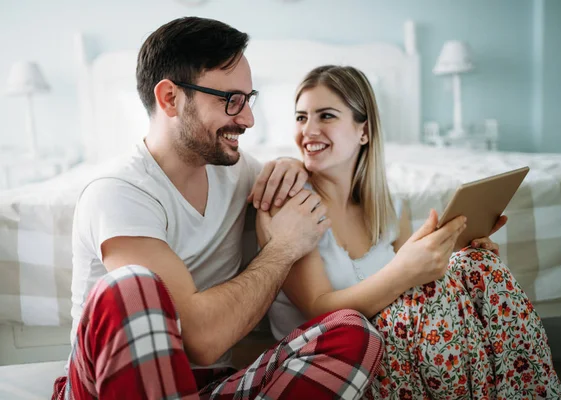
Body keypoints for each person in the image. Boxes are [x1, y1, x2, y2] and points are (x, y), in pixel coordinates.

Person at [52, 19, 384, 400]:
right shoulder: (119, 192)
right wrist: (283, 248)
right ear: (170, 99)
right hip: (112, 385)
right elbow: (201, 341)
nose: (247, 119)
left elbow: (291, 183)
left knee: (352, 331)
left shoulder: (239, 172)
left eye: (248, 98)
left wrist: (291, 166)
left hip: (211, 387)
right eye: (231, 101)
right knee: (134, 286)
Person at [265, 65, 561, 399]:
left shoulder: (388, 204)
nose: (309, 130)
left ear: (363, 131)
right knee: (440, 296)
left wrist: (450, 252)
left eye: (326, 116)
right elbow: (319, 310)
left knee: (479, 265)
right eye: (301, 117)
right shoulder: (291, 203)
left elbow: (412, 286)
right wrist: (407, 270)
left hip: (402, 347)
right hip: (339, 359)